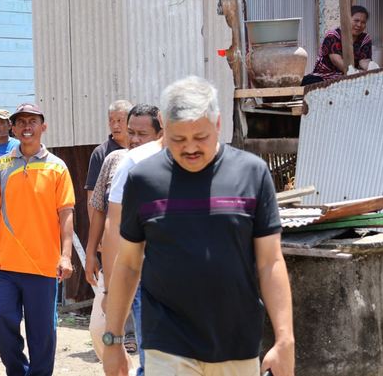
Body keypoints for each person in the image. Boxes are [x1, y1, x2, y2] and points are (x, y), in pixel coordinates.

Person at [102, 76, 294, 376]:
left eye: (200, 137)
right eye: (179, 139)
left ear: (218, 124)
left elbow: (270, 261)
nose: (190, 148)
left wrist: (285, 339)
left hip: (237, 344)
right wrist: (112, 340)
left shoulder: (252, 174)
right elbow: (127, 264)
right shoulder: (144, 180)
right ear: (164, 128)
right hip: (166, 344)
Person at [0, 102, 76, 376]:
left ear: (43, 127)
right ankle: (18, 371)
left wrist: (66, 255)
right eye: (20, 122)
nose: (26, 126)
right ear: (13, 128)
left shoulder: (57, 167)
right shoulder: (1, 166)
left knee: (42, 333)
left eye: (32, 121)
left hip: (42, 266)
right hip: (3, 265)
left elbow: (66, 212)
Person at [85, 104, 162, 374]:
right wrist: (91, 253)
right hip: (117, 264)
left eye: (143, 134)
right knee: (100, 330)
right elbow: (101, 211)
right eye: (131, 132)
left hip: (151, 274)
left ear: (160, 134)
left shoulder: (169, 168)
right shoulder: (115, 161)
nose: (135, 139)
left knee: (150, 351)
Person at [301, 5, 373, 85]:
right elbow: (336, 61)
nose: (359, 25)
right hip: (324, 77)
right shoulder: (333, 36)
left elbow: (364, 61)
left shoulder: (365, 38)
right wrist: (356, 73)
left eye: (363, 22)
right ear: (347, 19)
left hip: (351, 77)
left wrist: (373, 70)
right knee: (310, 83)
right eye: (356, 20)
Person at [85, 100, 132, 220]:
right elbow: (93, 198)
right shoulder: (100, 153)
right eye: (111, 120)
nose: (115, 125)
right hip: (110, 222)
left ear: (131, 121)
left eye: (120, 120)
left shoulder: (140, 148)